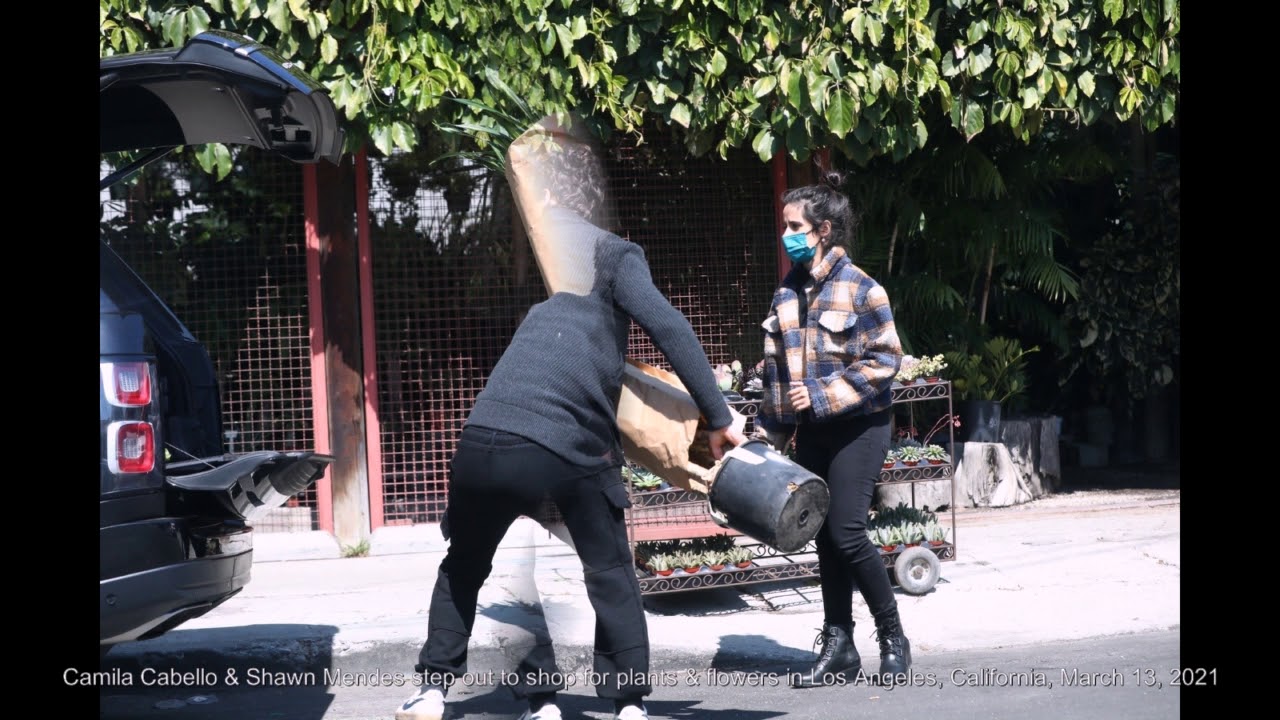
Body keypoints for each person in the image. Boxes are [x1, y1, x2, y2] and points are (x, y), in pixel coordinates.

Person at [396, 124, 746, 720]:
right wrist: (718, 416)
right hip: (565, 444)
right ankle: (628, 702)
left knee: (469, 564)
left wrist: (461, 508)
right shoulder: (610, 252)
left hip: (484, 439)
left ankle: (435, 691)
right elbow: (670, 327)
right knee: (608, 567)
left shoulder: (530, 258)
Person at [754, 171, 910, 688]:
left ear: (823, 230)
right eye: (785, 226)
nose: (787, 235)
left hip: (861, 427)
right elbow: (778, 379)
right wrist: (762, 447)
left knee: (846, 531)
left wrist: (821, 395)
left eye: (795, 226)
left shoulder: (863, 288)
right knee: (823, 533)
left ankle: (892, 637)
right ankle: (839, 643)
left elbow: (887, 359)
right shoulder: (785, 294)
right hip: (813, 433)